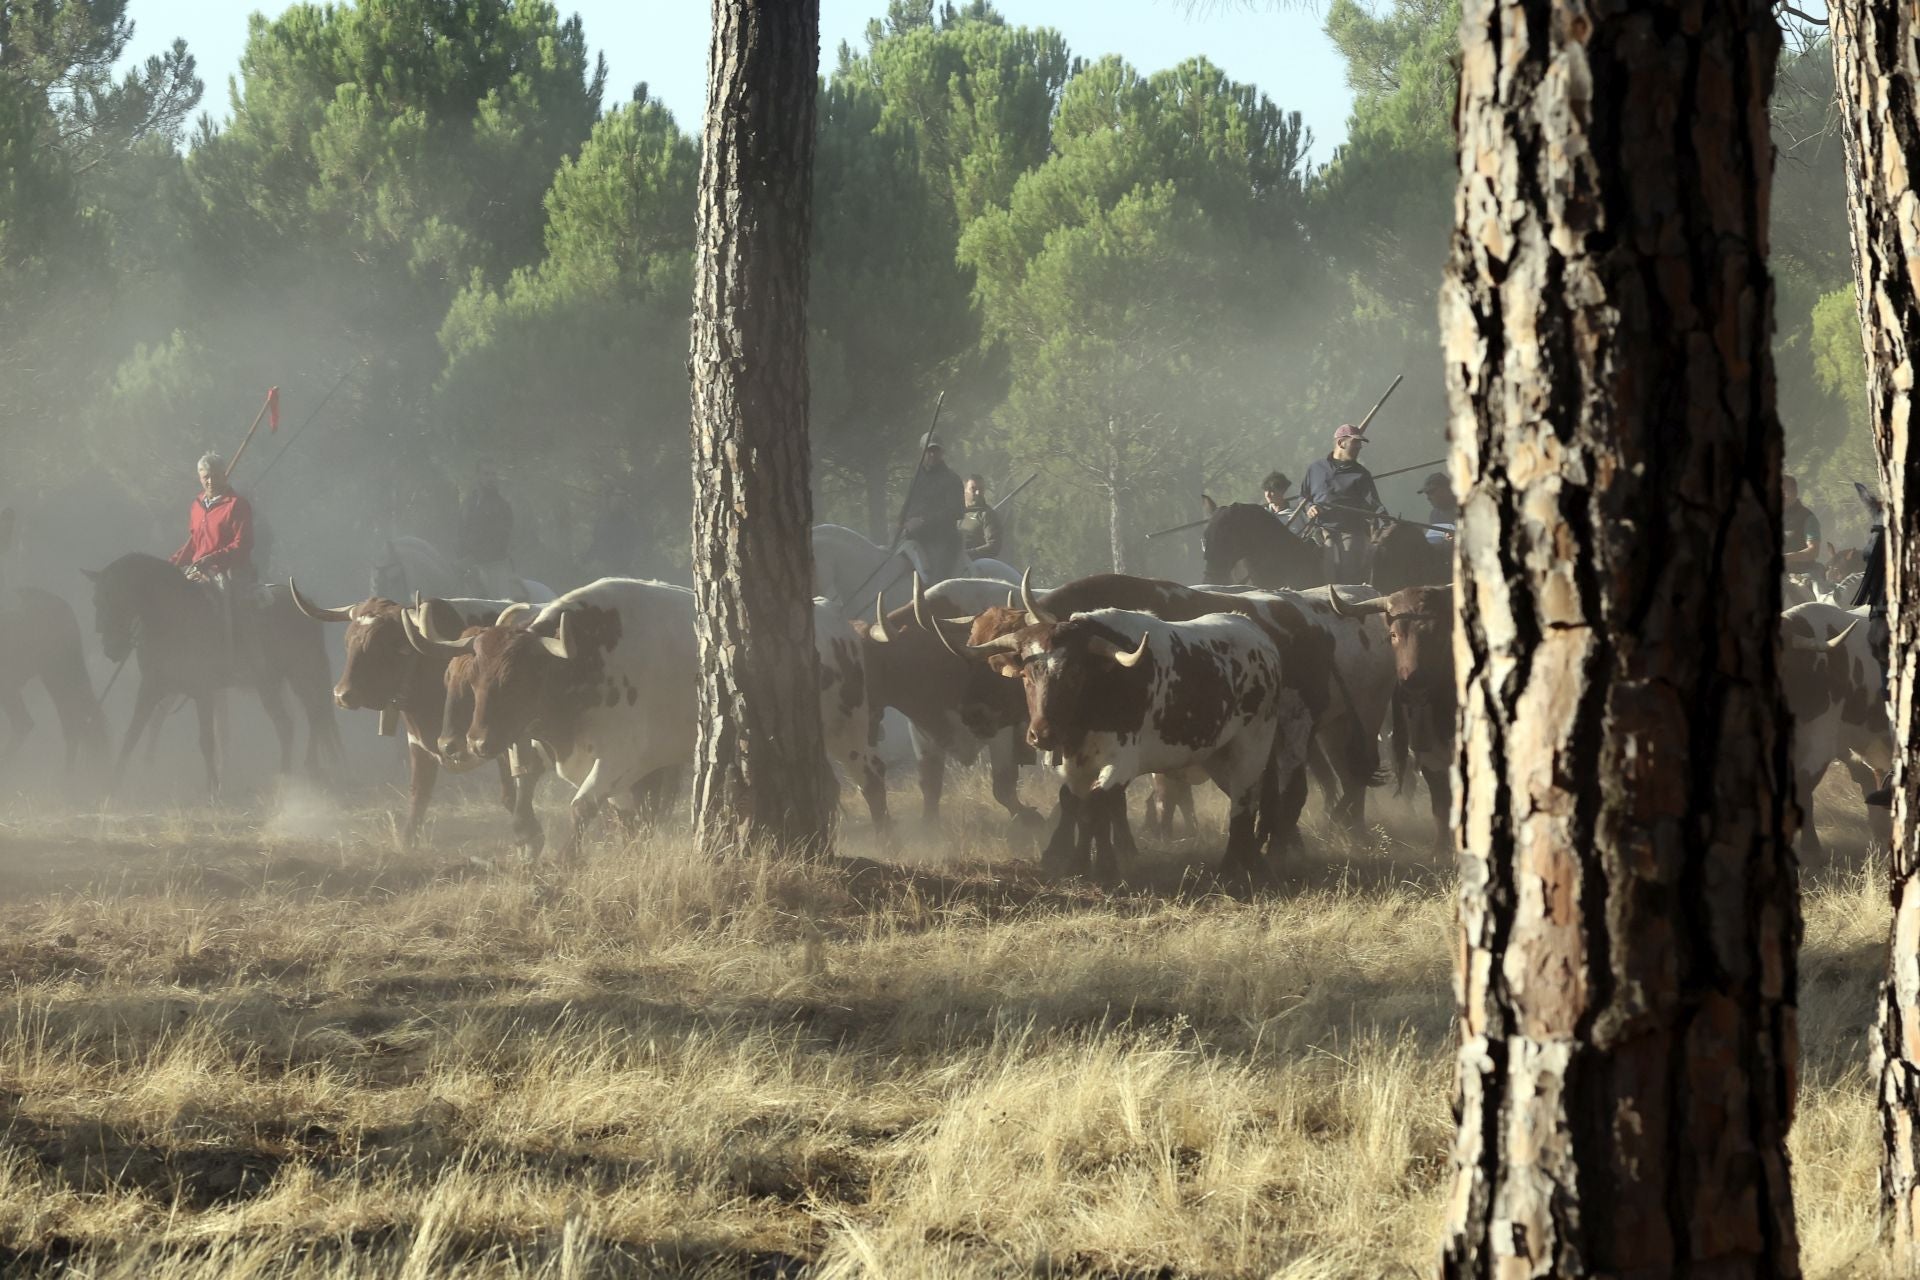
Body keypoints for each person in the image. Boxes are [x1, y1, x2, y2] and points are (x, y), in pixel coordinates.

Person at [169, 452, 258, 665]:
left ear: (224, 476)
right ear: (199, 477)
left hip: (228, 570)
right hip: (199, 570)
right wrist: (172, 563)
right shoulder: (197, 504)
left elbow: (242, 544)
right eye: (206, 476)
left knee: (230, 607)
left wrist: (211, 558)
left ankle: (238, 659)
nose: (210, 481)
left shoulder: (237, 504)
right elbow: (194, 542)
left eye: (215, 476)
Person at [1300, 424, 1386, 580]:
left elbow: (1375, 504)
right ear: (1341, 443)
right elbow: (1304, 497)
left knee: (1349, 574)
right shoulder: (1315, 468)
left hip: (1351, 530)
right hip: (1321, 529)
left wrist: (1388, 522)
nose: (1359, 447)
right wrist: (1309, 507)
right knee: (1312, 565)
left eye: (1360, 444)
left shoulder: (1361, 474)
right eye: (1355, 443)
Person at [900, 438, 965, 577]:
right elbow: (907, 507)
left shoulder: (951, 479)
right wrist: (901, 523)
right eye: (929, 450)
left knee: (938, 585)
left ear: (942, 453)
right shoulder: (916, 478)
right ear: (922, 452)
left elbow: (957, 511)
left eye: (936, 450)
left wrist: (923, 521)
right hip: (915, 539)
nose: (932, 455)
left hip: (943, 541)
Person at [457, 469, 516, 596]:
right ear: (478, 476)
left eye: (493, 473)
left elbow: (501, 539)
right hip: (468, 564)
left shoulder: (502, 506)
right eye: (486, 473)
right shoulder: (467, 504)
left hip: (494, 564)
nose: (491, 478)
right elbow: (460, 532)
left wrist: (475, 557)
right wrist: (462, 557)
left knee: (499, 601)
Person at [958, 474, 1004, 561]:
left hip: (976, 565)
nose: (978, 493)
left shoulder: (987, 515)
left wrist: (967, 554)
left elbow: (994, 547)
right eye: (973, 489)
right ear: (963, 490)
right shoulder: (954, 512)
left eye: (981, 489)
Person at [1782, 475, 1822, 569]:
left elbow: (1813, 551)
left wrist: (1787, 558)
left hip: (1802, 574)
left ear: (1794, 493)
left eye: (1784, 491)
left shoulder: (1807, 518)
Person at [1420, 472, 1458, 545]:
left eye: (1431, 492)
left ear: (1447, 489)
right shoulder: (1434, 515)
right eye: (1427, 494)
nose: (1428, 498)